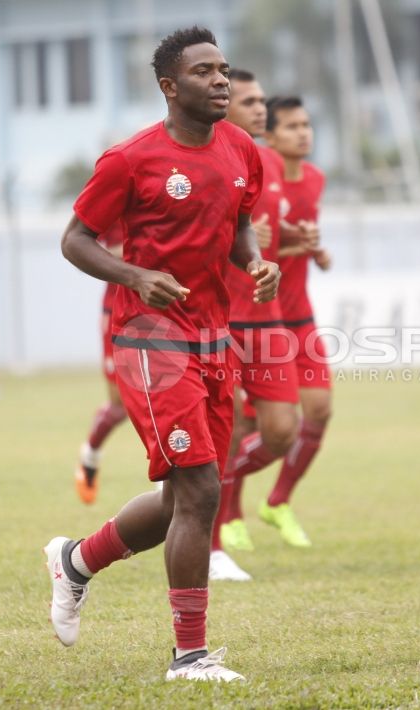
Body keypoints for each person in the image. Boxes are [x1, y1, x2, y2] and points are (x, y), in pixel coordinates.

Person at [45, 26, 278, 683]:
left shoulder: (241, 151)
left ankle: (76, 561)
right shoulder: (130, 160)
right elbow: (74, 239)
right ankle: (190, 657)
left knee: (186, 499)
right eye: (204, 72)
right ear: (169, 87)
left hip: (213, 338)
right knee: (200, 487)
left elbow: (235, 225)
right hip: (149, 337)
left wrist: (255, 262)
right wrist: (135, 276)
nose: (222, 81)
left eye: (224, 69)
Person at [221, 95, 331, 549]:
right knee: (246, 427)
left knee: (318, 411)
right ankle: (225, 508)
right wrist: (272, 244)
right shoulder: (253, 171)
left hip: (296, 316)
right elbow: (248, 243)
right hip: (257, 318)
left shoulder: (314, 179)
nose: (303, 133)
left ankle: (277, 500)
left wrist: (312, 248)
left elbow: (285, 240)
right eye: (293, 126)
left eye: (307, 124)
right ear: (269, 135)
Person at [208, 69, 301, 581]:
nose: (261, 108)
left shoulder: (267, 162)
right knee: (226, 431)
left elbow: (262, 233)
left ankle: (192, 487)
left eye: (263, 99)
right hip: (219, 320)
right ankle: (215, 543)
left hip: (267, 321)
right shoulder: (209, 158)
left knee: (283, 431)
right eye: (249, 100)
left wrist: (288, 239)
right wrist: (240, 239)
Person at [73, 224, 128, 505]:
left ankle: (171, 486)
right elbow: (85, 245)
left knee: (171, 398)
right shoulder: (118, 184)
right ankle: (90, 455)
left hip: (169, 309)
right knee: (121, 405)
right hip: (119, 307)